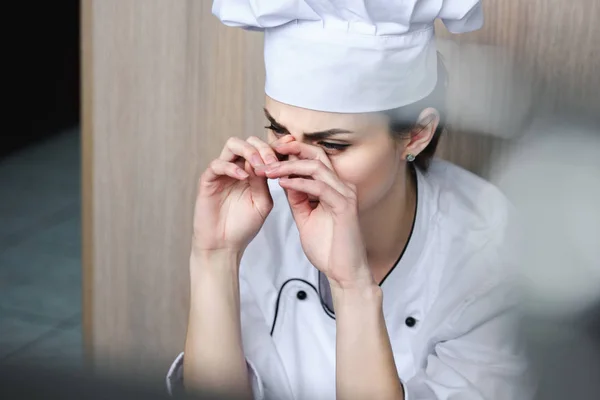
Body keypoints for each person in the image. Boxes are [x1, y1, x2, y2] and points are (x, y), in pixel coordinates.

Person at [167, 1, 534, 399]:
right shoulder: (258, 213)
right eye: (278, 130)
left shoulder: (490, 249)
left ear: (417, 134)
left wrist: (353, 287)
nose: (298, 165)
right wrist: (215, 256)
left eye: (332, 144)